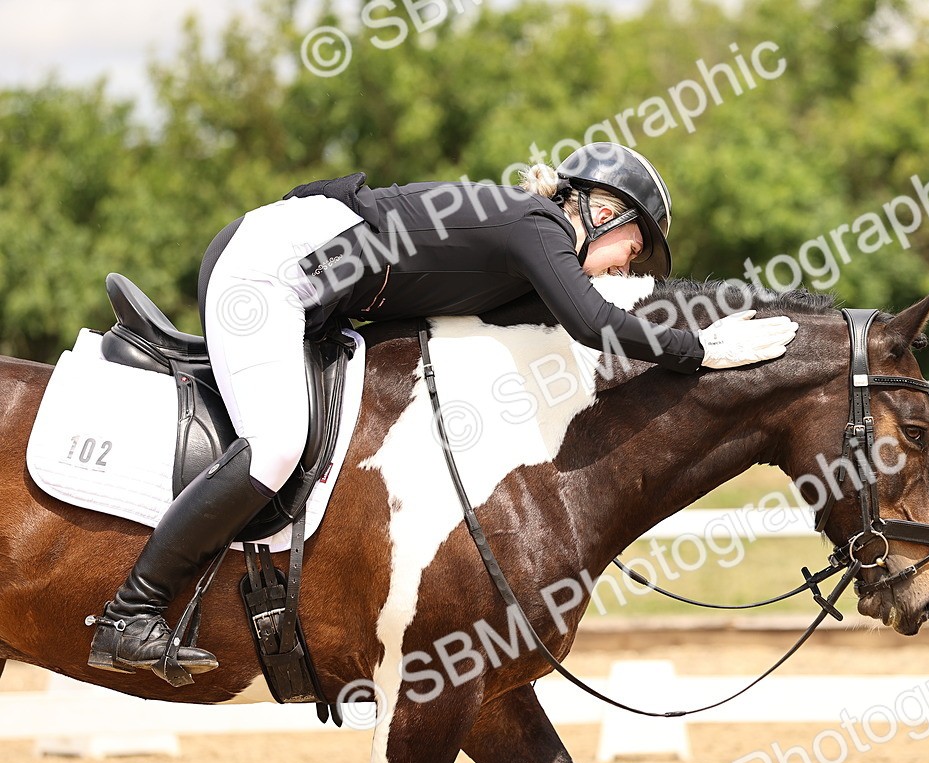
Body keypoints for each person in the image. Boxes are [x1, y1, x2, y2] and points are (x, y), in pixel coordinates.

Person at [85, 142, 799, 683]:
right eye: (632, 250)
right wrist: (696, 350)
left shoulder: (530, 255)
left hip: (314, 289)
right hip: (270, 271)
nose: (628, 268)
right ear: (602, 210)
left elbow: (573, 337)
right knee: (275, 445)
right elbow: (592, 323)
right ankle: (130, 611)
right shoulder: (535, 225)